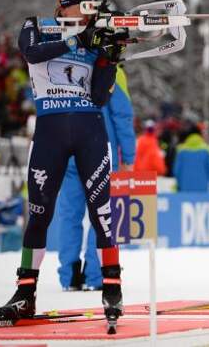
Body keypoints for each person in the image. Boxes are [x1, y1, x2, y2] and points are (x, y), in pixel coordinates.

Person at [0, 0, 124, 320]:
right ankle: (25, 292)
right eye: (81, 7)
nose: (87, 14)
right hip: (50, 132)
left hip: (89, 130)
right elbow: (31, 53)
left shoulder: (93, 36)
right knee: (39, 214)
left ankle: (112, 287)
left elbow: (99, 96)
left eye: (91, 7)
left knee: (101, 212)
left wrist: (109, 59)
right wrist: (75, 40)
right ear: (64, 6)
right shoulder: (37, 26)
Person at [56, 66, 135, 291]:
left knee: (69, 214)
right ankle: (96, 273)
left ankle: (69, 275)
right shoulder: (113, 70)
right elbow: (122, 116)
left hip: (69, 151)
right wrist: (129, 157)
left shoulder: (66, 64)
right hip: (101, 150)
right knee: (103, 215)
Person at [173, 124, 209, 191]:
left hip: (184, 189)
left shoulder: (181, 150)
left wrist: (178, 185)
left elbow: (176, 171)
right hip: (202, 189)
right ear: (200, 135)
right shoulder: (206, 150)